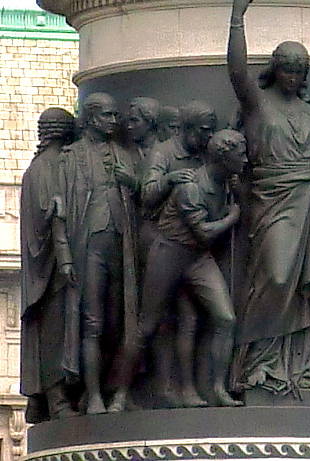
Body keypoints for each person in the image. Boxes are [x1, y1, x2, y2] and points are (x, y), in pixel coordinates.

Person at [228, 0, 310, 394]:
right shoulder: (258, 105)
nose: (293, 76)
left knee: (306, 286)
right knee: (276, 276)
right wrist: (236, 18)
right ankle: (259, 364)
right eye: (286, 68)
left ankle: (298, 369)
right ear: (276, 69)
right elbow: (236, 72)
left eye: (300, 70)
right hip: (273, 202)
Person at [109, 129, 247, 411]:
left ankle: (218, 389)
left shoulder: (227, 181)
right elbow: (206, 233)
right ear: (223, 157)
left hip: (197, 258)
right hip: (170, 253)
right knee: (146, 326)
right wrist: (233, 218)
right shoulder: (191, 186)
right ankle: (120, 394)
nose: (245, 159)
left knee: (225, 318)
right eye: (240, 154)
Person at [55, 92, 138, 414]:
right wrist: (64, 255)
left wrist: (132, 181)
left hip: (121, 246)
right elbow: (58, 212)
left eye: (116, 116)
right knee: (92, 322)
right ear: (90, 118)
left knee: (119, 323)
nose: (114, 122)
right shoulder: (71, 157)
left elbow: (145, 190)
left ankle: (116, 387)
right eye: (108, 115)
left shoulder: (123, 154)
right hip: (88, 245)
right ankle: (92, 396)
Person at [141, 101, 217, 407]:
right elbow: (146, 196)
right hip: (163, 244)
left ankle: (185, 389)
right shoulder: (163, 153)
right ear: (187, 128)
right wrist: (170, 179)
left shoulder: (202, 154)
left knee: (188, 318)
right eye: (204, 131)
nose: (208, 136)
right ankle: (121, 390)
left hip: (193, 249)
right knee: (151, 323)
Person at [20, 107, 77, 423]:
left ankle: (41, 399)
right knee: (55, 332)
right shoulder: (50, 168)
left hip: (45, 266)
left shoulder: (35, 168)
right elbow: (54, 216)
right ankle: (55, 399)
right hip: (52, 268)